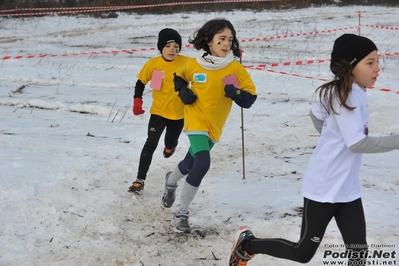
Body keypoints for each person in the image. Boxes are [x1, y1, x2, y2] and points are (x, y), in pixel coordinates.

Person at [228, 33, 399, 266]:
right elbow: (357, 143)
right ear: (350, 67)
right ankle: (246, 245)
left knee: (358, 251)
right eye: (370, 63)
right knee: (303, 252)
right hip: (324, 188)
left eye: (377, 61)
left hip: (347, 188)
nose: (377, 68)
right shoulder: (346, 95)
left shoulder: (349, 90)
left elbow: (316, 114)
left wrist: (331, 139)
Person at [161, 18, 257, 233]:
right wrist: (183, 91)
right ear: (208, 40)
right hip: (195, 119)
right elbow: (179, 77)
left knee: (189, 164)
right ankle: (181, 213)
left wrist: (237, 93)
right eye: (221, 39)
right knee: (202, 163)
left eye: (230, 40)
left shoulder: (234, 68)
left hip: (215, 126)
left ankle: (171, 180)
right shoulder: (194, 64)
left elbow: (250, 98)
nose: (226, 44)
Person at [128, 28, 189, 194]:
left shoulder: (186, 63)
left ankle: (171, 147)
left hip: (178, 114)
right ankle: (140, 179)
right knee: (150, 143)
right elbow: (140, 82)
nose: (172, 49)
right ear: (161, 47)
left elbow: (204, 71)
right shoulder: (153, 64)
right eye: (168, 45)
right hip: (158, 112)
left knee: (170, 143)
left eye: (176, 46)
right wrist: (137, 100)